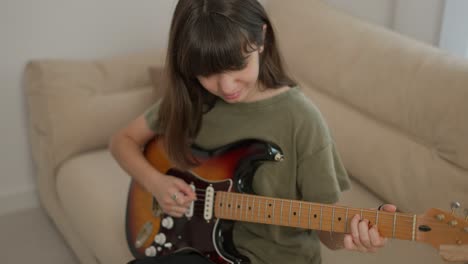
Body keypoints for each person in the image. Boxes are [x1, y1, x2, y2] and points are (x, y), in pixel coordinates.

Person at [109, 0, 397, 263]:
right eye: (207, 72)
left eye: (237, 66)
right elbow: (122, 141)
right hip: (201, 249)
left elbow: (326, 229)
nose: (227, 87)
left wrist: (350, 234)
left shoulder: (301, 120)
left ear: (262, 38)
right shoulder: (193, 99)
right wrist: (156, 183)